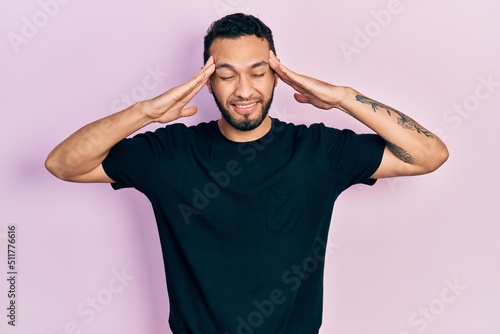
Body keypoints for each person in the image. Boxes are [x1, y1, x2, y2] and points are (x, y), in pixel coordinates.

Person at [45, 13, 448, 334]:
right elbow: (62, 164)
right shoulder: (168, 153)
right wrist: (144, 113)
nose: (243, 90)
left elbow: (428, 155)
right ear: (207, 82)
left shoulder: (320, 151)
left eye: (257, 72)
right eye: (225, 74)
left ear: (276, 74)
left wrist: (343, 98)